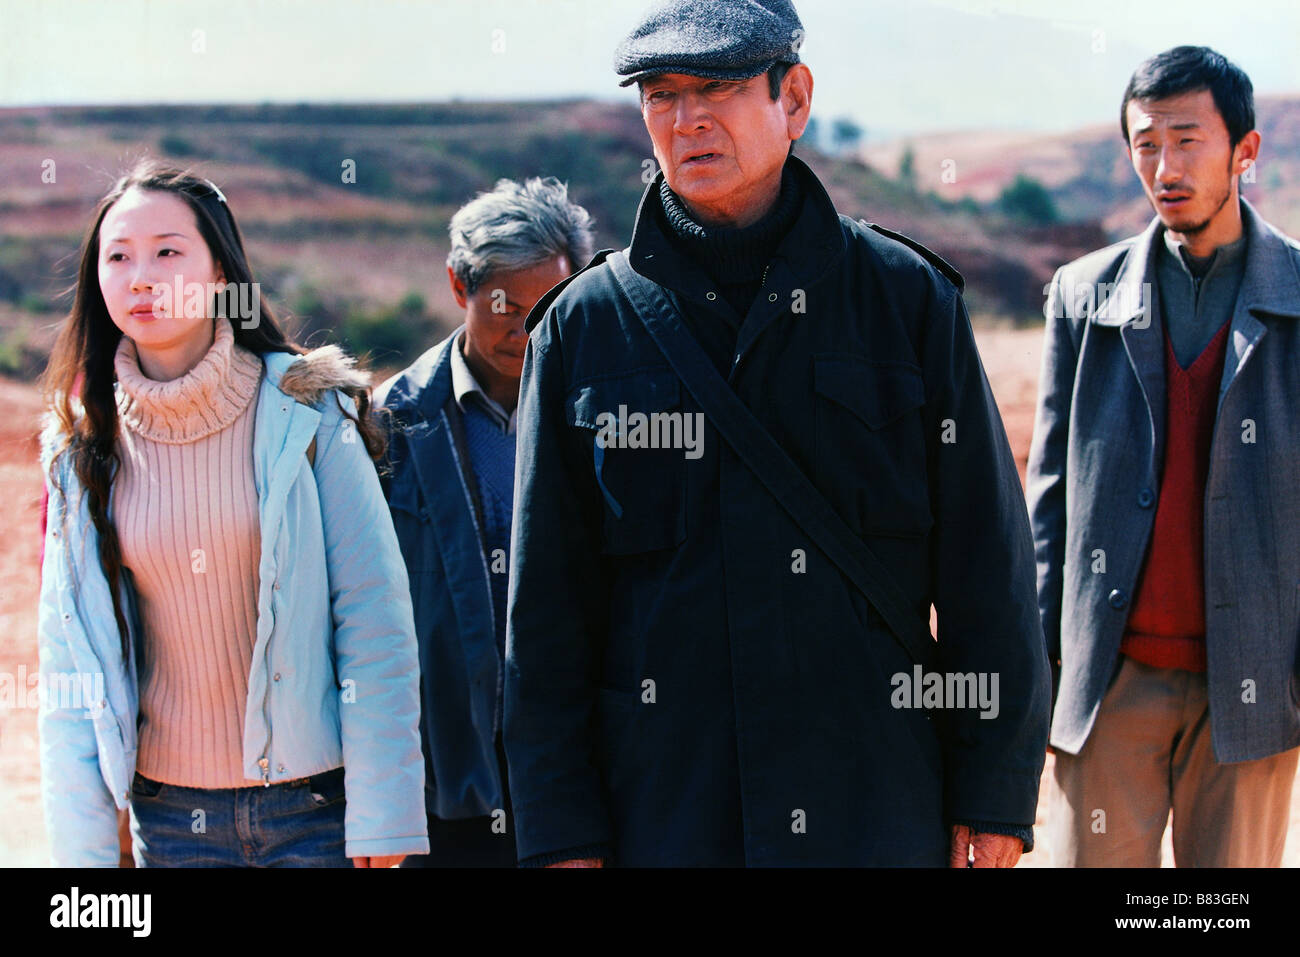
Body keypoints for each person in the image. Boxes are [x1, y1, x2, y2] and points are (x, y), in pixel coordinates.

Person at [503, 0, 1050, 867]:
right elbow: (546, 617)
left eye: (716, 86)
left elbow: (988, 567)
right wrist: (561, 830)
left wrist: (996, 794)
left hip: (872, 800)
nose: (687, 119)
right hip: (667, 812)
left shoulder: (905, 302)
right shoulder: (583, 330)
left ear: (792, 98)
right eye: (660, 93)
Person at [38, 161, 428, 867]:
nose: (141, 275)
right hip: (170, 819)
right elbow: (71, 665)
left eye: (167, 251)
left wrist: (386, 810)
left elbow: (372, 615)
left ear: (220, 271)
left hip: (316, 814)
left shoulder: (308, 408)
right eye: (118, 256)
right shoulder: (79, 441)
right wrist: (86, 860)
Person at [1028, 46, 1300, 867]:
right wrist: (1043, 676)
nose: (1165, 166)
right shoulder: (1083, 294)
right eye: (1146, 143)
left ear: (1244, 152)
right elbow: (1050, 502)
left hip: (1252, 692)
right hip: (1110, 683)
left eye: (1188, 139)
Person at [375, 177, 593, 866]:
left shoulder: (599, 415)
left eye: (546, 305)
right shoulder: (388, 426)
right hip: (440, 784)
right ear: (458, 286)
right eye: (503, 303)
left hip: (572, 779)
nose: (523, 327)